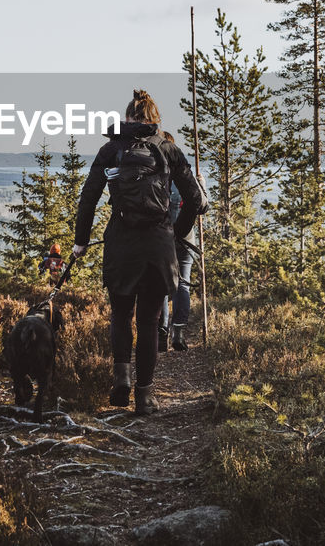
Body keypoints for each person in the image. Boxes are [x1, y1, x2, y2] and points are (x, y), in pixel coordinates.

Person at [72, 89, 204, 415]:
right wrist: (176, 234)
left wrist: (81, 241)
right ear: (155, 119)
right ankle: (144, 397)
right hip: (158, 245)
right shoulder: (169, 150)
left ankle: (122, 377)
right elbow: (197, 202)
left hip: (121, 242)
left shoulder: (110, 149)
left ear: (128, 118)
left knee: (120, 314)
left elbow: (88, 198)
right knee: (148, 321)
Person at [158, 131, 196, 352]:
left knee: (161, 286)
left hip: (161, 238)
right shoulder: (187, 175)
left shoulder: (156, 176)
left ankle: (161, 330)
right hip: (186, 238)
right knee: (183, 282)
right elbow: (202, 204)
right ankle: (178, 331)